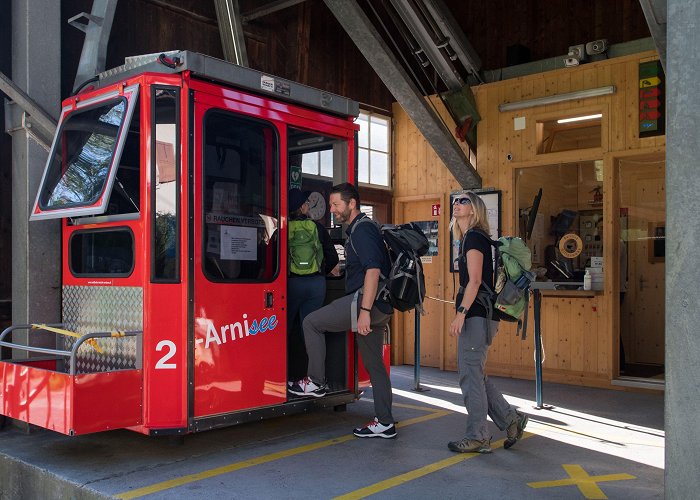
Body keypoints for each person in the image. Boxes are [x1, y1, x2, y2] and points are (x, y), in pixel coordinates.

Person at [288, 182, 396, 439]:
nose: (333, 209)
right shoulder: (364, 229)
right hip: (381, 303)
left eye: (336, 204)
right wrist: (346, 269)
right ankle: (385, 422)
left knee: (312, 323)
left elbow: (372, 270)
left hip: (366, 302)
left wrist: (365, 311)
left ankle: (315, 382)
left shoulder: (362, 229)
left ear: (352, 204)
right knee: (375, 365)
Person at [448, 191, 528, 453]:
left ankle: (478, 436)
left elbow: (473, 280)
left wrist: (461, 313)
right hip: (483, 315)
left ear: (474, 209)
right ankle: (511, 419)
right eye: (455, 201)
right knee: (476, 375)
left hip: (476, 316)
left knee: (469, 377)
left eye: (463, 201)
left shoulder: (473, 238)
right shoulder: (474, 238)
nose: (457, 204)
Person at [287, 188, 339, 380]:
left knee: (283, 329)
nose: (308, 205)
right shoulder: (317, 228)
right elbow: (332, 257)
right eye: (306, 202)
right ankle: (310, 378)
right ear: (301, 207)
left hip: (290, 285)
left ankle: (282, 374)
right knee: (310, 330)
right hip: (316, 285)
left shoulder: (283, 228)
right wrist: (319, 273)